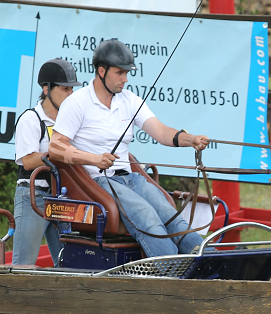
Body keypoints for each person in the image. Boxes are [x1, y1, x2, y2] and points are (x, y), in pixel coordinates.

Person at [49, 39, 208, 257]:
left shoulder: (130, 100)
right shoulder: (77, 102)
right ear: (101, 71)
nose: (125, 79)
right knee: (147, 219)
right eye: (120, 73)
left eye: (127, 73)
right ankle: (173, 271)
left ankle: (208, 260)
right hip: (98, 182)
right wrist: (94, 159)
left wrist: (190, 139)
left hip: (131, 178)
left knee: (171, 216)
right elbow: (56, 148)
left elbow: (160, 131)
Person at [12, 58, 80, 266]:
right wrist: (56, 153)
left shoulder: (71, 120)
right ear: (46, 89)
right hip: (35, 196)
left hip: (63, 198)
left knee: (69, 264)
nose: (70, 95)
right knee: (24, 263)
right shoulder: (31, 119)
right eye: (65, 89)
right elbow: (28, 161)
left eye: (72, 89)